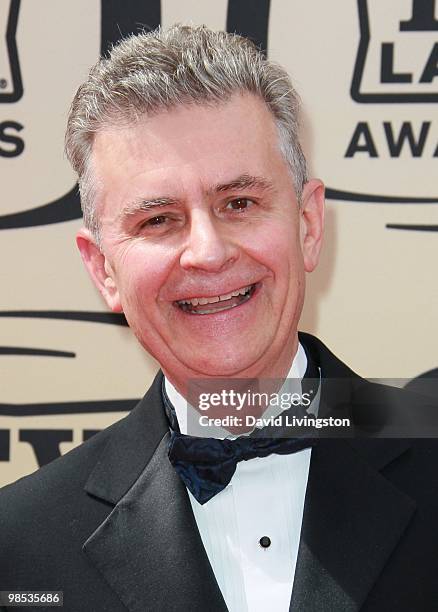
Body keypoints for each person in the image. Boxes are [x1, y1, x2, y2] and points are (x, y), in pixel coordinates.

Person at [1, 25, 437, 612]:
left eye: (239, 203)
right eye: (158, 219)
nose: (208, 252)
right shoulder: (21, 543)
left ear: (308, 225)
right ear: (103, 268)